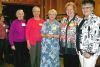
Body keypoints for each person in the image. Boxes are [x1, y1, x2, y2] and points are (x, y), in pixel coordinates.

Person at [76, 0, 100, 67]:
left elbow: (97, 38)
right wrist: (78, 49)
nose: (85, 9)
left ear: (92, 8)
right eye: (83, 8)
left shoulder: (96, 20)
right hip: (81, 51)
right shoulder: (82, 20)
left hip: (89, 53)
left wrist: (90, 52)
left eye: (87, 7)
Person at [60, 2, 82, 67]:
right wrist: (61, 35)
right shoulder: (63, 19)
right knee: (66, 64)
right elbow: (61, 31)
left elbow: (82, 34)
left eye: (71, 9)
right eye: (67, 9)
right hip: (65, 47)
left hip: (74, 47)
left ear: (74, 10)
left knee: (74, 64)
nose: (69, 11)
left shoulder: (79, 19)